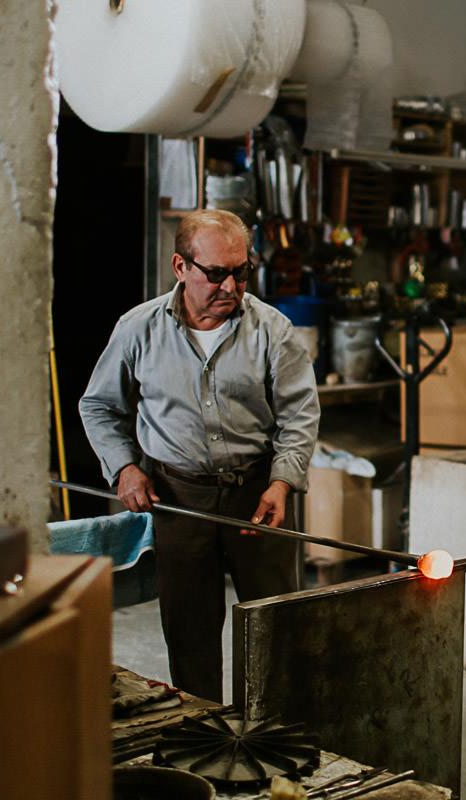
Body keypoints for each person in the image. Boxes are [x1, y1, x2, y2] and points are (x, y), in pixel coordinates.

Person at [79, 209, 319, 701]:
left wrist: (282, 482)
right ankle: (202, 730)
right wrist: (124, 468)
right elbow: (99, 406)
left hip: (257, 493)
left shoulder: (272, 331)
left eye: (242, 271)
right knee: (189, 627)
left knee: (275, 622)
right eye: (216, 273)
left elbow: (299, 415)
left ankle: (274, 730)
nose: (231, 286)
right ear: (180, 266)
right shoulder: (138, 329)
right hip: (178, 495)